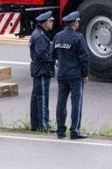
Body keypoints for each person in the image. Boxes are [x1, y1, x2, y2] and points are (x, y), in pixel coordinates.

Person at [53, 11, 90, 140]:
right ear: (74, 23)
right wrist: (85, 74)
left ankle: (60, 131)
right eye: (78, 21)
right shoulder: (78, 38)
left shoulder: (58, 36)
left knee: (61, 103)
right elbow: (84, 58)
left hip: (62, 75)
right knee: (76, 103)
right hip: (75, 76)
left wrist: (57, 62)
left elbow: (53, 55)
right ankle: (74, 130)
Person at [29, 11, 56, 132]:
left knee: (36, 97)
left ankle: (35, 124)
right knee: (43, 97)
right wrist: (54, 61)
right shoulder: (40, 36)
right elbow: (41, 54)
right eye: (51, 21)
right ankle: (44, 124)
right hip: (42, 70)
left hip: (38, 69)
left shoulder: (38, 33)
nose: (52, 23)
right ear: (45, 23)